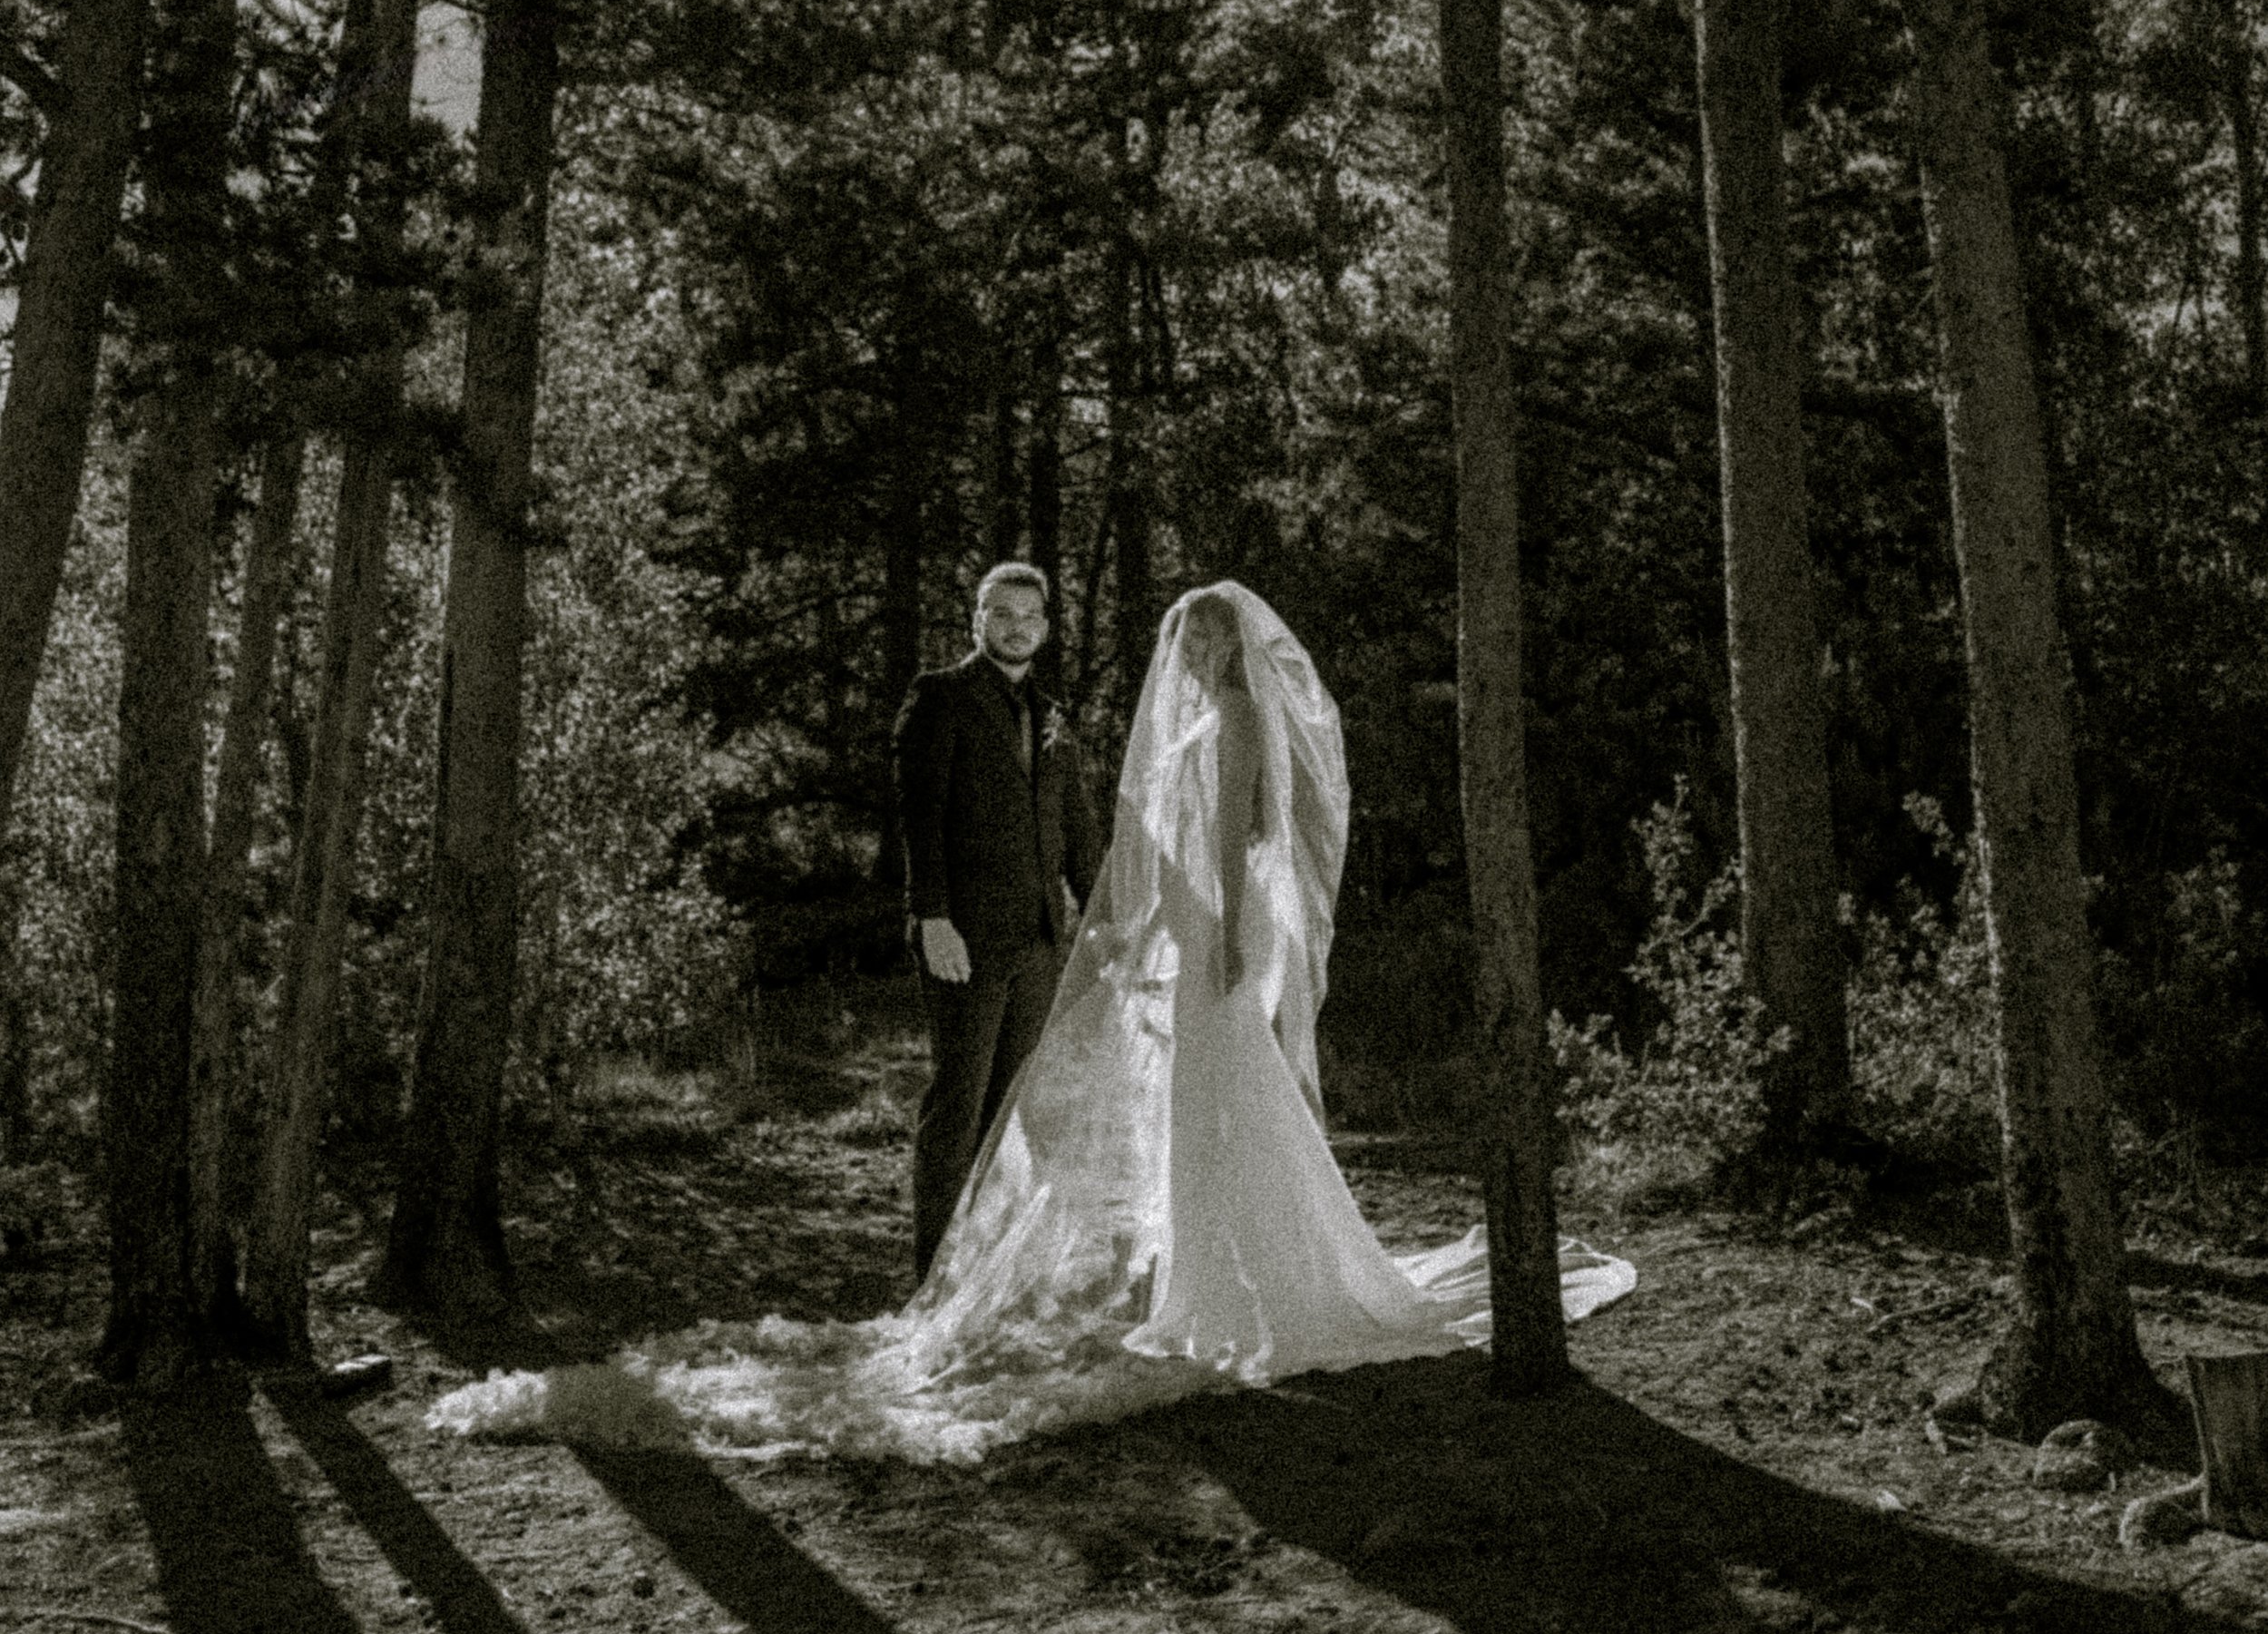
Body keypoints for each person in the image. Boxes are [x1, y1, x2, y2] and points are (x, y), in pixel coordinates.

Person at [429, 582, 1632, 1463]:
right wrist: (1008, 916)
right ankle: (1060, 1269)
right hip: (1100, 927)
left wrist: (1195, 935)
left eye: (1210, 631)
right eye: (1187, 631)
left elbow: (1239, 837)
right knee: (1068, 1102)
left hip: (1212, 931)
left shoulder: (1231, 718)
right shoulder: (992, 705)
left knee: (1219, 1096)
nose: (1196, 644)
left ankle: (1248, 1279)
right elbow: (1069, 836)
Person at [891, 561, 1100, 1281]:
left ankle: (986, 1276)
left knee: (1011, 1115)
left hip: (1040, 942)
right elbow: (921, 816)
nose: (1016, 627)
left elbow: (1075, 824)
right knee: (959, 1103)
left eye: (1029, 616)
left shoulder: (1051, 713)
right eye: (1001, 613)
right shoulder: (940, 696)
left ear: (1044, 627)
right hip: (964, 939)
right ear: (977, 619)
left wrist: (1102, 911)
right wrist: (932, 915)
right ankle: (932, 1279)